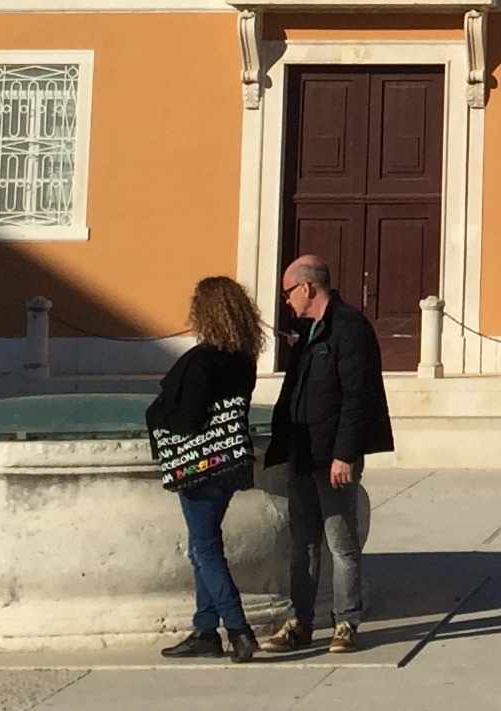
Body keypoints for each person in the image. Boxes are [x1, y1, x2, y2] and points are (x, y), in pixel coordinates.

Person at [262, 253, 395, 654]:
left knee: (341, 542)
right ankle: (298, 623)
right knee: (302, 542)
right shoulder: (308, 333)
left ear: (306, 287)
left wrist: (345, 454)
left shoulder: (349, 328)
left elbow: (358, 397)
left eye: (288, 292)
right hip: (302, 453)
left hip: (332, 457)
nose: (286, 300)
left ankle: (346, 622)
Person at [149, 276, 264, 661]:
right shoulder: (244, 360)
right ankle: (205, 630)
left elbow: (187, 419)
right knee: (204, 546)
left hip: (199, 466)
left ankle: (238, 628)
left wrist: (158, 414)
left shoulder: (202, 361)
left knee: (205, 548)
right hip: (229, 463)